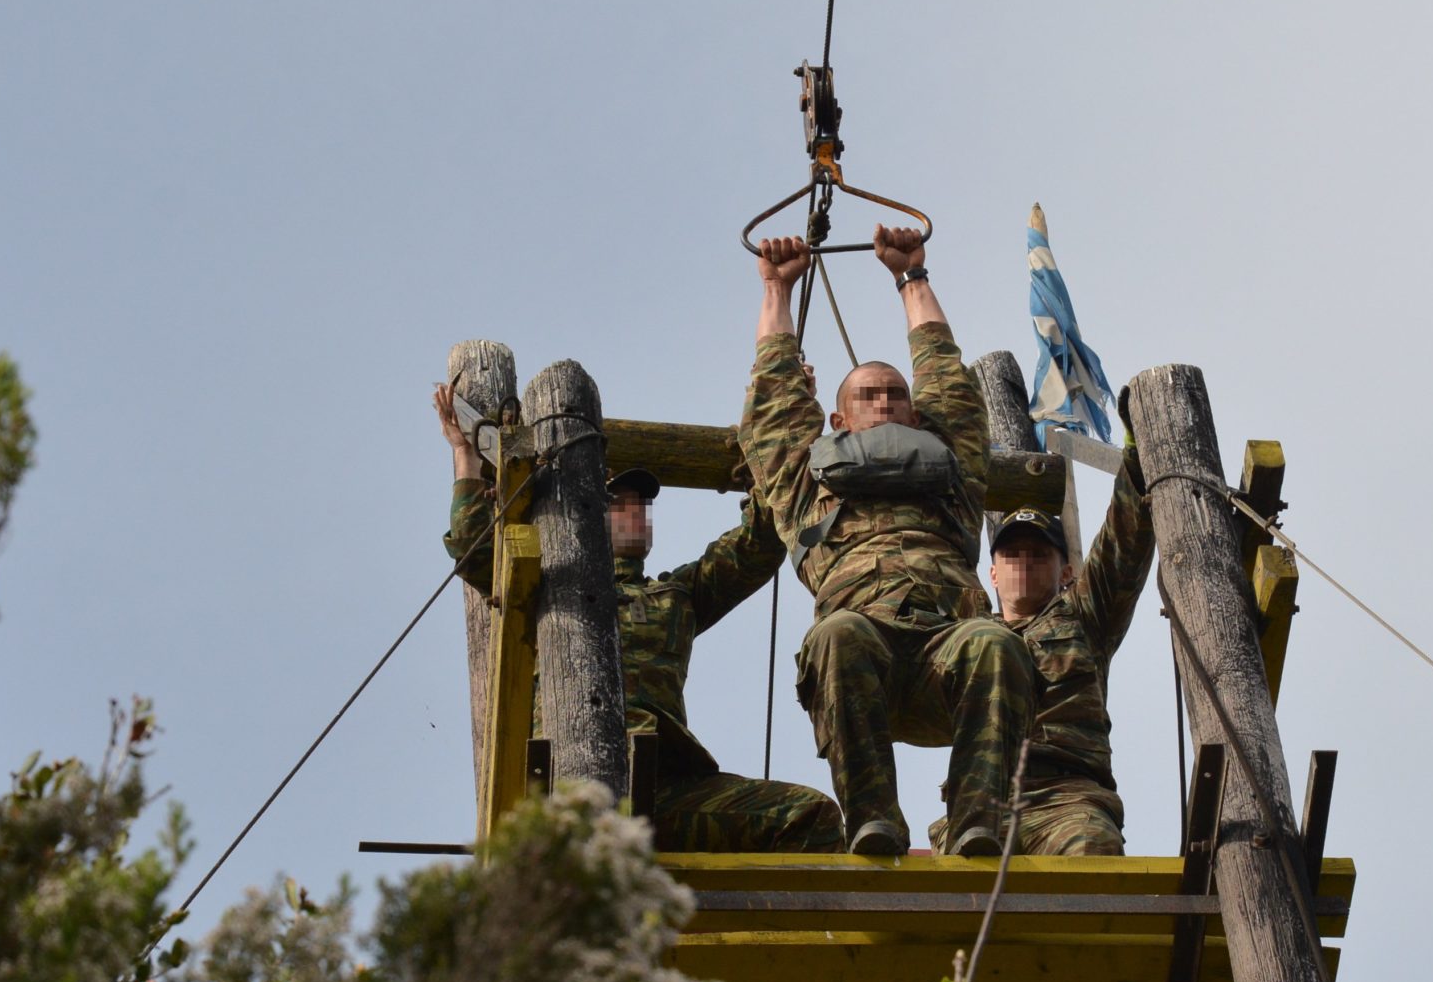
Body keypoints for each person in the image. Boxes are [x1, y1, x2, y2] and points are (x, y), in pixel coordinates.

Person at [433, 384, 842, 853]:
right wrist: (465, 458)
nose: (636, 512)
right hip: (564, 786)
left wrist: (778, 423)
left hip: (661, 787)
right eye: (617, 501)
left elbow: (759, 544)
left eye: (641, 505)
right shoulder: (542, 582)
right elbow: (474, 548)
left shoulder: (675, 596)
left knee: (811, 816)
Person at [740, 225, 1039, 857]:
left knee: (995, 641)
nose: (883, 404)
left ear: (915, 414)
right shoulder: (807, 485)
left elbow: (948, 378)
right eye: (867, 396)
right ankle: (873, 821)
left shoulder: (952, 479)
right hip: (860, 662)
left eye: (896, 396)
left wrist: (911, 276)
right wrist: (776, 289)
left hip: (945, 657)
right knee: (837, 633)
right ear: (838, 420)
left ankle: (975, 825)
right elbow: (775, 394)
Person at [934, 440, 1153, 855]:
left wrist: (1137, 460)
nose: (1024, 563)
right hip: (980, 805)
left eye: (1038, 554)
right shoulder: (963, 636)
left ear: (1066, 572)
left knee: (1092, 850)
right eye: (1012, 555)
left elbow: (1122, 544)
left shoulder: (1084, 617)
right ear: (993, 574)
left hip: (1068, 798)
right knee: (958, 885)